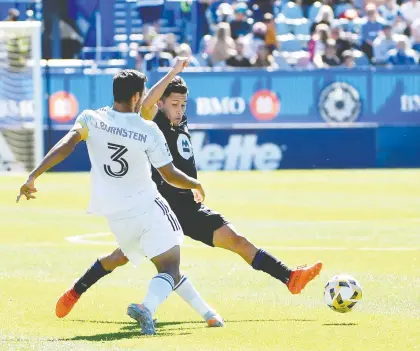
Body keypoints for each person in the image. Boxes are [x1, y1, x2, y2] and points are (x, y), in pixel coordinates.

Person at [54, 76, 323, 322]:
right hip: (158, 209)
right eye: (174, 104)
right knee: (119, 257)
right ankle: (76, 291)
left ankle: (290, 278)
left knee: (237, 241)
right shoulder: (153, 121)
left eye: (183, 104)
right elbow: (147, 106)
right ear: (160, 104)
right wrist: (173, 72)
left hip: (189, 208)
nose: (180, 109)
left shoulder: (179, 122)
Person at [18, 58, 224, 335]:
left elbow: (66, 145)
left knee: (154, 263)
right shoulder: (147, 130)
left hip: (115, 215)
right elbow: (170, 174)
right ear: (137, 96)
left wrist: (34, 175)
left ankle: (209, 314)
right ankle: (147, 308)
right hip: (147, 207)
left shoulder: (91, 118)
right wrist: (195, 184)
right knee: (170, 266)